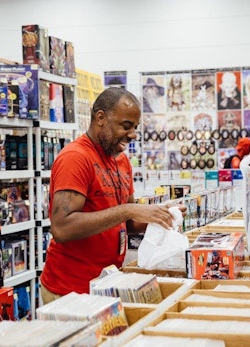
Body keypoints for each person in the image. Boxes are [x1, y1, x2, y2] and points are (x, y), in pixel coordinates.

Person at [40, 87, 181, 304]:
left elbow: (128, 223)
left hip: (107, 284)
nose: (133, 135)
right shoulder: (75, 158)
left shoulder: (121, 161)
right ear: (101, 118)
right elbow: (62, 228)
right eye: (126, 126)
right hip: (70, 292)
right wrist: (129, 209)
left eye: (135, 128)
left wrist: (160, 215)